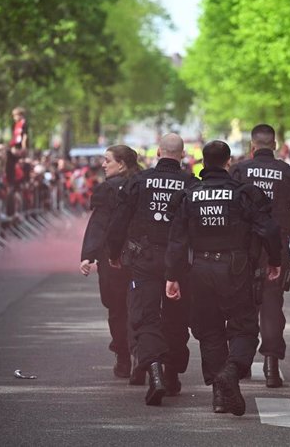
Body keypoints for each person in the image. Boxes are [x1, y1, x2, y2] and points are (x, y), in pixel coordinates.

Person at [165, 140, 282, 416]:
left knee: (209, 331)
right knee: (243, 328)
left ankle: (220, 396)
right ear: (229, 162)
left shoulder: (189, 194)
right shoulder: (243, 194)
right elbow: (269, 229)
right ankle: (230, 373)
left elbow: (177, 240)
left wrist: (172, 276)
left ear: (203, 163)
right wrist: (275, 261)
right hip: (236, 269)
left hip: (200, 270)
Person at [106, 134, 197, 406]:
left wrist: (114, 253)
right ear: (181, 155)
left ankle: (154, 370)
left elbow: (119, 220)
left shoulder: (138, 180)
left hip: (143, 259)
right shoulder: (191, 183)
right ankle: (170, 376)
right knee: (176, 317)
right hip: (179, 263)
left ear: (158, 152)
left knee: (145, 317)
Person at [230, 124, 290, 388]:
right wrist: (284, 230)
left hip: (244, 246)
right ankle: (271, 365)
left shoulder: (239, 171)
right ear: (274, 145)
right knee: (272, 304)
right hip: (276, 246)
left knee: (242, 303)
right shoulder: (288, 173)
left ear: (252, 147)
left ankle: (240, 363)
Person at [80, 145, 138, 380]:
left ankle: (124, 358)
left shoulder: (107, 189)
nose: (103, 165)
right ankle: (139, 355)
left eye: (107, 160)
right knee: (141, 307)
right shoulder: (143, 183)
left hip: (113, 259)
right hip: (141, 256)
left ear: (122, 163)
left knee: (116, 309)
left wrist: (88, 255)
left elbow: (99, 224)